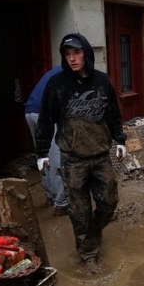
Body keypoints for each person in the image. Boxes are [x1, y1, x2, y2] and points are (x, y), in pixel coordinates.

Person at [34, 33, 126, 270]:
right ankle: (88, 254)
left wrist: (121, 140)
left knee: (109, 203)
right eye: (68, 54)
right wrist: (42, 152)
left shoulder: (102, 81)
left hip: (100, 156)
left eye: (77, 53)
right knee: (79, 210)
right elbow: (45, 120)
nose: (72, 58)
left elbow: (114, 113)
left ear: (86, 53)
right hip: (72, 159)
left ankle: (92, 234)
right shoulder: (57, 85)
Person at [24, 64, 68, 216]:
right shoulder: (71, 74)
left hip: (30, 111)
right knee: (58, 156)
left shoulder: (56, 70)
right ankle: (61, 203)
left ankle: (50, 195)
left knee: (43, 155)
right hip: (46, 112)